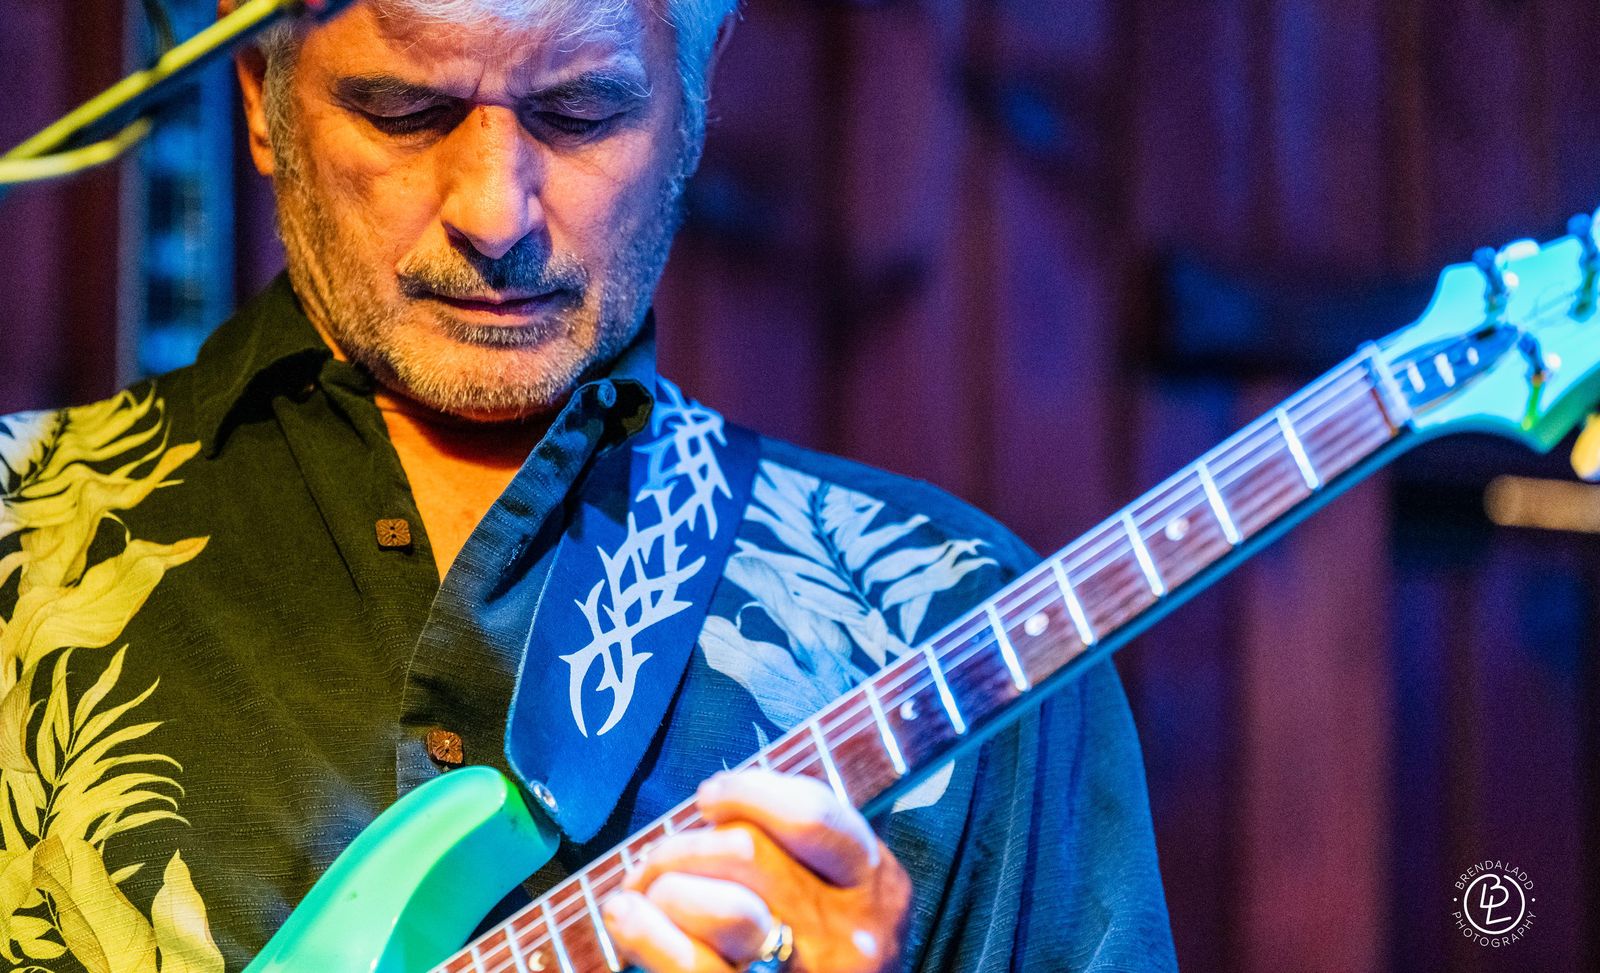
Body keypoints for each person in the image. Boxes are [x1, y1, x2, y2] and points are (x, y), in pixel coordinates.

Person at [0, 1, 1177, 971]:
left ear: (694, 100)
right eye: (404, 112)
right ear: (261, 93)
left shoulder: (950, 623)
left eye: (579, 113)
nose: (493, 214)